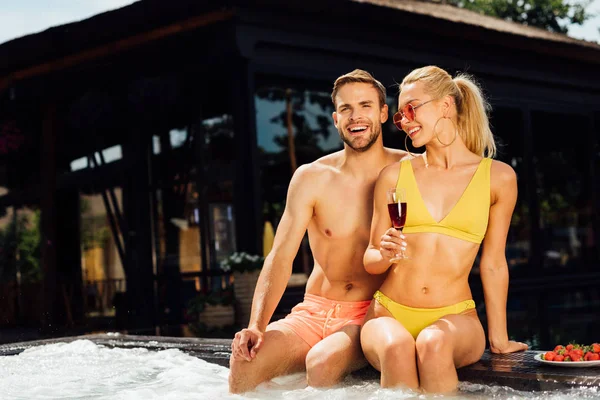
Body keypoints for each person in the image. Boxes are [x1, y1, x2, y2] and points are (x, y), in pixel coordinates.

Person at [228, 70, 412, 393]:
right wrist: (256, 326)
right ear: (335, 119)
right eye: (346, 109)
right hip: (313, 311)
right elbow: (280, 256)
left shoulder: (410, 170)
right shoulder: (311, 177)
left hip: (368, 313)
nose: (356, 117)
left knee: (322, 363)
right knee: (245, 361)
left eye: (366, 106)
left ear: (383, 113)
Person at [361, 65, 528, 393]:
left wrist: (499, 337)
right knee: (397, 349)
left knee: (432, 344)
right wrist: (384, 252)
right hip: (388, 314)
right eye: (400, 116)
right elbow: (371, 259)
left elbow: (493, 263)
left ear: (446, 106)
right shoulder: (393, 176)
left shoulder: (499, 178)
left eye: (412, 108)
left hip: (456, 318)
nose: (405, 121)